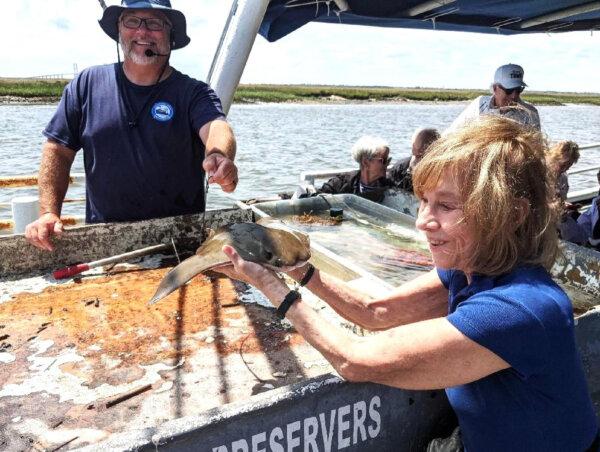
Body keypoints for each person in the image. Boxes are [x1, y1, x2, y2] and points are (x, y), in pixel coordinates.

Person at [217, 116, 598, 451]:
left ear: (512, 213)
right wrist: (295, 268)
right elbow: (376, 312)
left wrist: (270, 286)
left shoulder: (522, 308)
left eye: (446, 206)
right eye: (423, 201)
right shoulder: (471, 267)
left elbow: (353, 359)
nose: (422, 222)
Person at [25, 0, 238, 251]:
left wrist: (219, 155)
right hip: (103, 241)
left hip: (180, 243)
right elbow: (57, 150)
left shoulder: (193, 92)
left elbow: (216, 126)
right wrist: (49, 212)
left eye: (154, 23)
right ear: (119, 29)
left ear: (171, 35)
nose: (142, 32)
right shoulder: (86, 85)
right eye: (132, 21)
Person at [447, 64, 540, 132]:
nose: (514, 95)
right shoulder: (479, 105)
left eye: (518, 89)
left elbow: (537, 149)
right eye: (509, 90)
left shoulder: (530, 113)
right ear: (495, 88)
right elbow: (451, 132)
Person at [318, 135, 394, 203]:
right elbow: (317, 201)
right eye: (383, 160)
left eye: (388, 160)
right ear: (365, 162)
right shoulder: (340, 184)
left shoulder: (390, 187)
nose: (387, 164)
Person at [388, 127, 440, 192]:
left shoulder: (443, 173)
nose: (419, 151)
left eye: (422, 156)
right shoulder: (399, 169)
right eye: (417, 155)